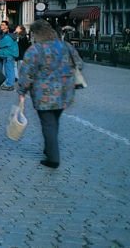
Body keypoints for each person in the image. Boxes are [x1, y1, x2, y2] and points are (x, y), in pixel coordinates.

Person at [17, 20, 82, 169]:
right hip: (64, 92)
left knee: (48, 123)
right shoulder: (65, 46)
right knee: (54, 122)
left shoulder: (35, 50)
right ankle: (49, 148)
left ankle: (53, 157)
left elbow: (26, 72)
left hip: (44, 93)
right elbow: (79, 64)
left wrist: (22, 91)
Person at [0, 21, 19, 90]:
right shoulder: (13, 36)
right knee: (10, 69)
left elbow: (0, 44)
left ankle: (9, 84)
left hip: (8, 55)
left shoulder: (8, 37)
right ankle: (9, 83)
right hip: (10, 55)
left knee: (9, 70)